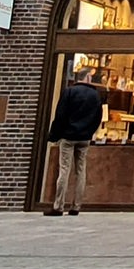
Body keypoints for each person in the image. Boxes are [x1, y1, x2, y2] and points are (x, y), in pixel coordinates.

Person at [44, 69, 104, 216]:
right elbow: (98, 117)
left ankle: (59, 206)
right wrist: (89, 132)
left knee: (64, 169)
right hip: (84, 138)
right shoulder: (95, 95)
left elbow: (60, 115)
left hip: (68, 136)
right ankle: (76, 206)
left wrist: (54, 135)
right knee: (81, 171)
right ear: (87, 77)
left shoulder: (69, 92)